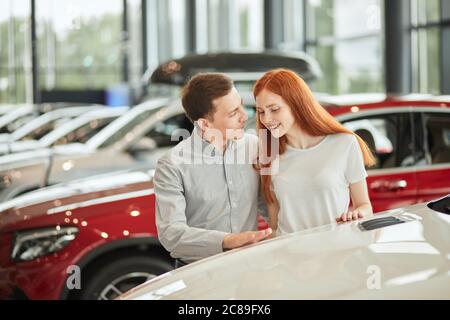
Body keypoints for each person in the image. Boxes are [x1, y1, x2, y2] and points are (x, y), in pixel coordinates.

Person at [154, 73, 271, 268]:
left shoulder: (254, 147)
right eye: (233, 113)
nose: (245, 116)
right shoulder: (172, 165)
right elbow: (171, 234)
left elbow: (266, 202)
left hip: (248, 266)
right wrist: (228, 241)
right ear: (204, 124)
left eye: (241, 105)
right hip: (198, 271)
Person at [253, 68, 375, 236]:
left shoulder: (344, 144)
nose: (266, 119)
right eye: (260, 112)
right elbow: (274, 227)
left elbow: (365, 206)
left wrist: (358, 214)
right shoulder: (268, 154)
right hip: (289, 256)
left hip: (332, 252)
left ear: (296, 103)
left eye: (274, 109)